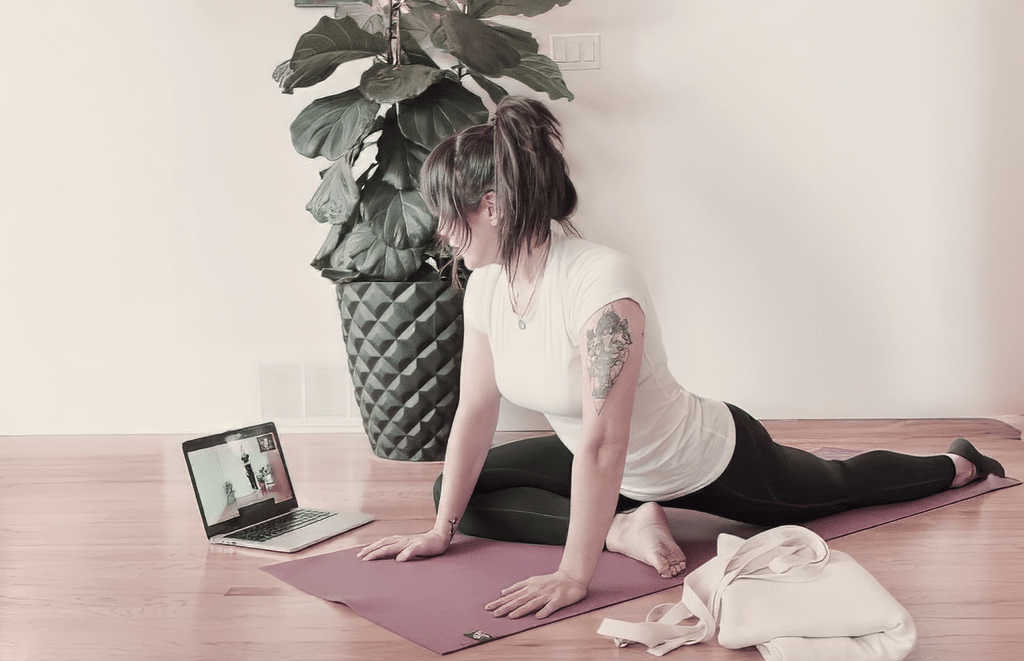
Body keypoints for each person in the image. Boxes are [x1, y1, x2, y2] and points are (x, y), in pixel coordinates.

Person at [357, 96, 1005, 620]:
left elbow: (607, 444)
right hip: (596, 456)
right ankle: (626, 526)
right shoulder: (490, 288)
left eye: (447, 213)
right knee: (454, 490)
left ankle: (957, 463)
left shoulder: (600, 282)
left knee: (835, 488)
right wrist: (441, 530)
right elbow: (476, 407)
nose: (439, 230)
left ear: (491, 207)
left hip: (692, 457)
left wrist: (574, 575)